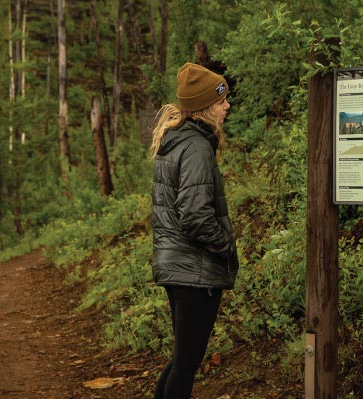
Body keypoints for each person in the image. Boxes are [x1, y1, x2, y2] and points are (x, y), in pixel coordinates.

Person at [149, 62, 239, 399]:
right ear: (204, 106)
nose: (227, 105)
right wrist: (225, 245)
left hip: (179, 266)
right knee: (185, 364)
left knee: (181, 361)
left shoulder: (178, 140)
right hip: (194, 270)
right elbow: (195, 216)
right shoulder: (198, 147)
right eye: (221, 100)